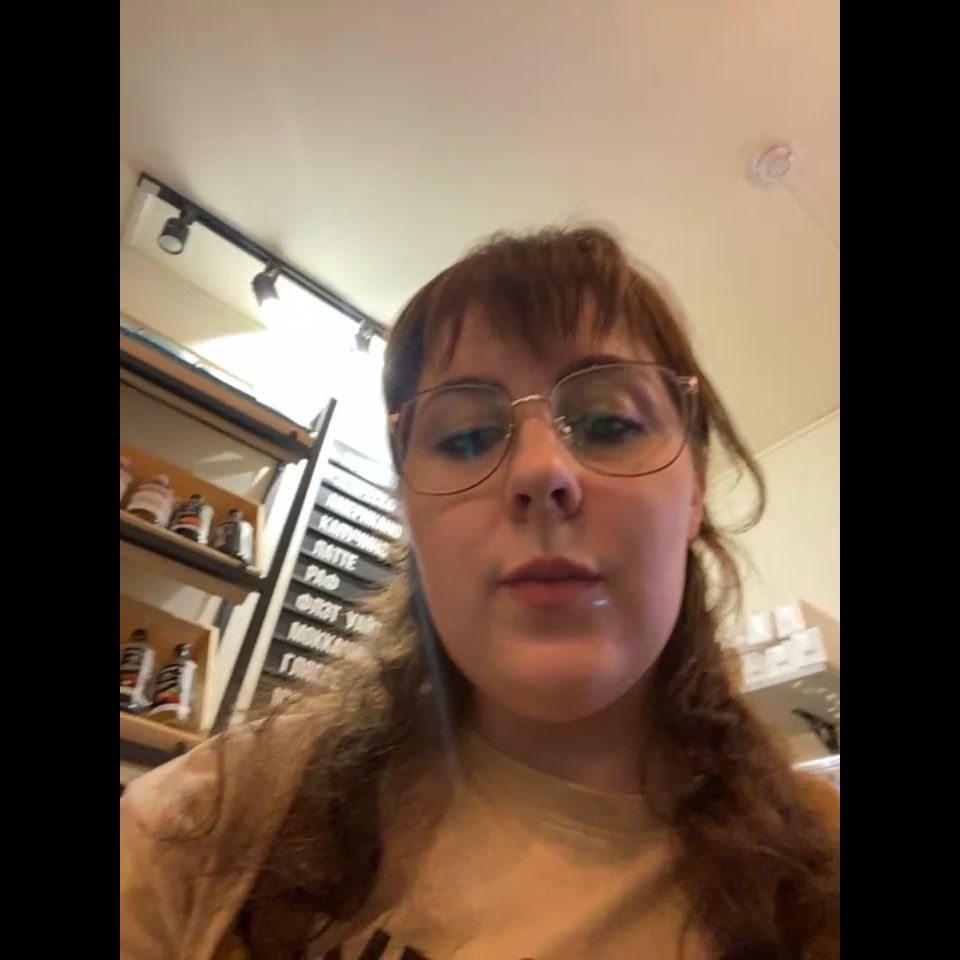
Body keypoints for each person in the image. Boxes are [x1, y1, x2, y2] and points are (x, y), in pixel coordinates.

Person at [120, 227, 840, 959]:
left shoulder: (821, 887)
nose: (540, 470)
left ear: (696, 494)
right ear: (408, 514)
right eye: (466, 437)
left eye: (608, 424)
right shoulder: (208, 826)